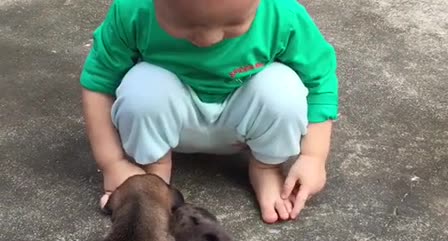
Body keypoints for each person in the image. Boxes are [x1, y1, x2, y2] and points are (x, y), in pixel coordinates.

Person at [80, 0, 339, 224]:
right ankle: (153, 173)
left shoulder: (281, 13)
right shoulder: (133, 10)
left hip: (245, 123)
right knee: (141, 88)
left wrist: (313, 157)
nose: (209, 39)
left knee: (282, 90)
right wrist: (112, 162)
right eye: (185, 24)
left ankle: (266, 167)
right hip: (170, 122)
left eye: (234, 24)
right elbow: (99, 81)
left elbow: (319, 79)